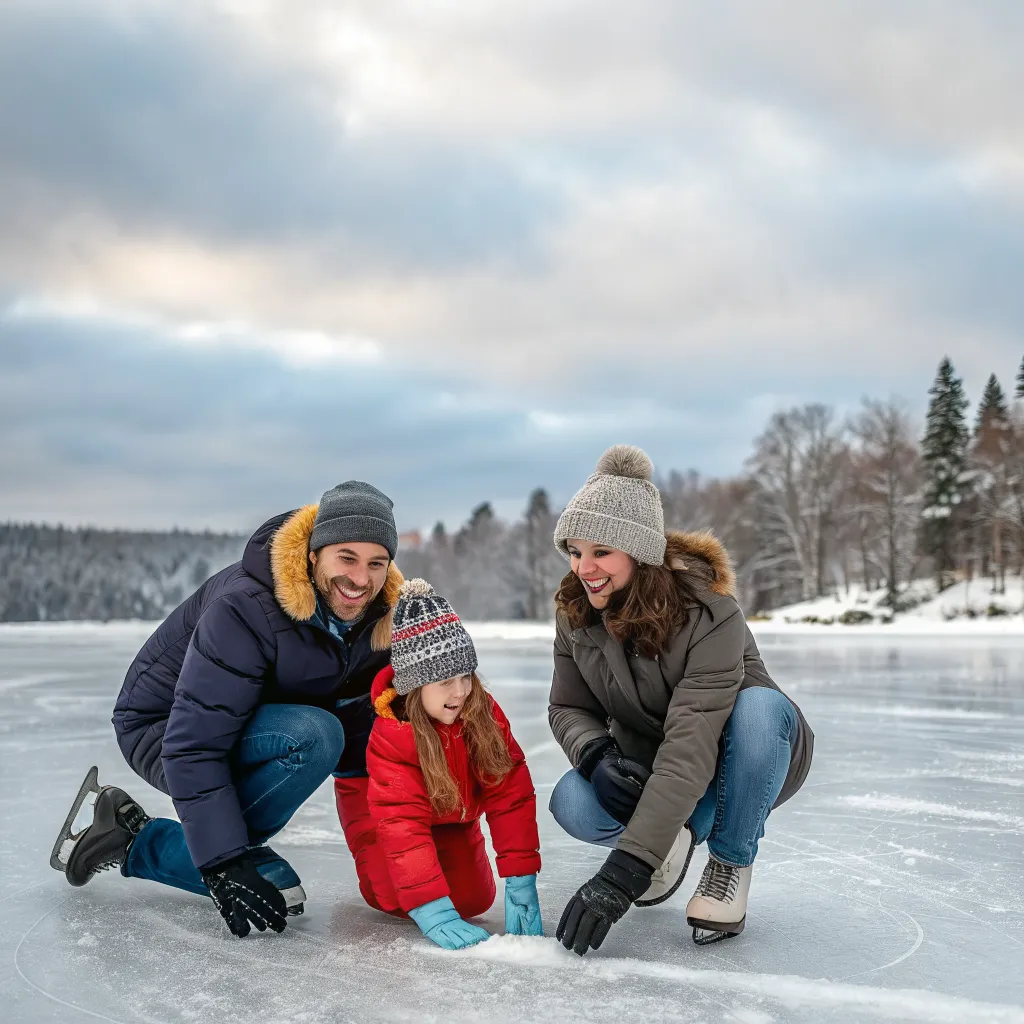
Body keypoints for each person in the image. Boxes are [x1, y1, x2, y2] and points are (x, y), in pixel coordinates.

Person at [51, 481, 404, 938]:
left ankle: (176, 839)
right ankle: (136, 839)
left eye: (376, 563)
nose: (361, 579)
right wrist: (223, 863)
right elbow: (192, 744)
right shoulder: (245, 606)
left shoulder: (376, 616)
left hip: (247, 716)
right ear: (314, 553)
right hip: (164, 727)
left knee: (283, 877)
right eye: (347, 558)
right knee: (315, 736)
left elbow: (365, 719)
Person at [547, 445, 813, 955]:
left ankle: (729, 863)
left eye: (601, 551)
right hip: (658, 758)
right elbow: (568, 707)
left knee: (759, 709)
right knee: (573, 798)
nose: (584, 567)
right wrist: (596, 754)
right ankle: (670, 837)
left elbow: (693, 740)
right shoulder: (576, 615)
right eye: (575, 551)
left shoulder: (711, 616)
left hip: (745, 758)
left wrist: (625, 871)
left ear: (638, 552)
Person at [336, 578, 542, 950]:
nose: (460, 690)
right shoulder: (394, 734)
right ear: (415, 685)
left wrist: (521, 876)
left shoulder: (481, 714)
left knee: (473, 901)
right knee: (393, 895)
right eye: (445, 680)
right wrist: (431, 908)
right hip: (379, 817)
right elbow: (401, 823)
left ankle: (450, 851)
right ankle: (384, 869)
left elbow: (510, 795)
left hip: (448, 814)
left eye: (465, 676)